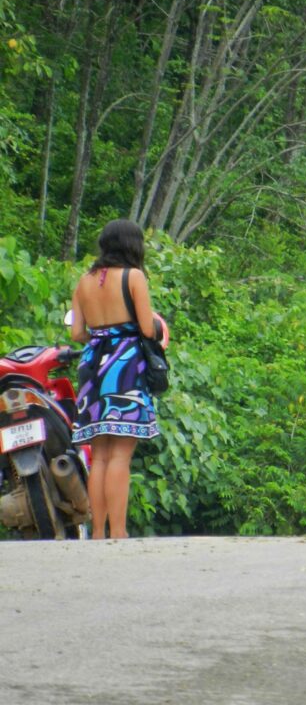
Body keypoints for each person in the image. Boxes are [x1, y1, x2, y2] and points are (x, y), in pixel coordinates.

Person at [70, 219, 160, 539]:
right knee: (121, 454)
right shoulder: (134, 277)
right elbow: (148, 329)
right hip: (125, 365)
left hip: (93, 364)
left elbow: (77, 332)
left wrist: (102, 332)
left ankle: (97, 532)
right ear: (131, 245)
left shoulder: (83, 281)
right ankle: (119, 533)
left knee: (101, 454)